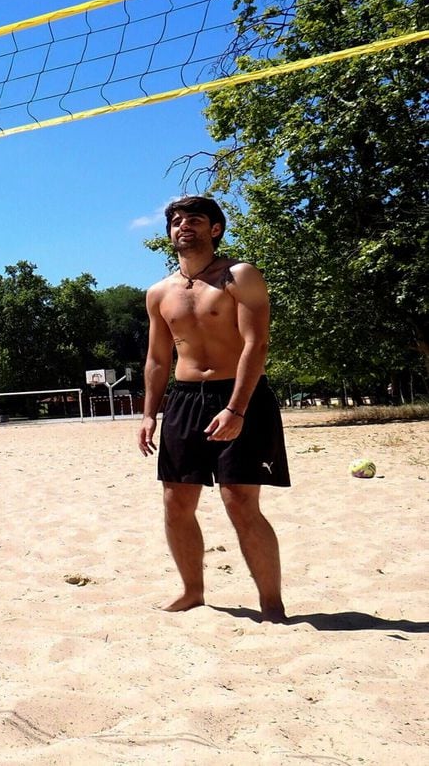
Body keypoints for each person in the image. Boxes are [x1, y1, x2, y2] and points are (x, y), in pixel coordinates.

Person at [138, 195, 289, 624]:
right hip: (184, 400)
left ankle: (272, 604)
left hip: (240, 395)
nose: (183, 225)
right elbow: (156, 360)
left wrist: (237, 408)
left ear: (215, 229)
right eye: (176, 221)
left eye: (195, 220)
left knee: (239, 499)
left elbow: (255, 344)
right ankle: (192, 591)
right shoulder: (159, 293)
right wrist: (150, 413)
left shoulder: (239, 276)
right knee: (176, 501)